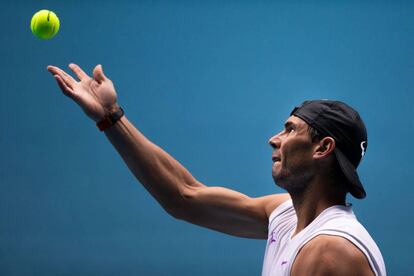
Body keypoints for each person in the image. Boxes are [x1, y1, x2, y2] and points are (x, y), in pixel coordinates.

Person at [47, 63, 386, 276]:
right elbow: (184, 197)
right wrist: (110, 117)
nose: (274, 139)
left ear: (323, 148)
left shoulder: (329, 252)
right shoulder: (285, 217)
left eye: (290, 129)